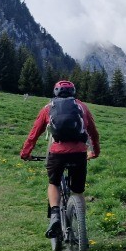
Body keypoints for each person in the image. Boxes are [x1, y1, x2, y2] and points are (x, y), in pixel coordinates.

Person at [20, 80, 100, 239]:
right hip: (79, 153)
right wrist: (95, 151)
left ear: (55, 92)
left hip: (57, 152)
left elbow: (34, 133)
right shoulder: (82, 107)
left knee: (54, 183)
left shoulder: (48, 108)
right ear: (73, 92)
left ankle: (55, 215)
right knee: (78, 191)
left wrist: (25, 153)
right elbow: (93, 132)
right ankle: (79, 223)